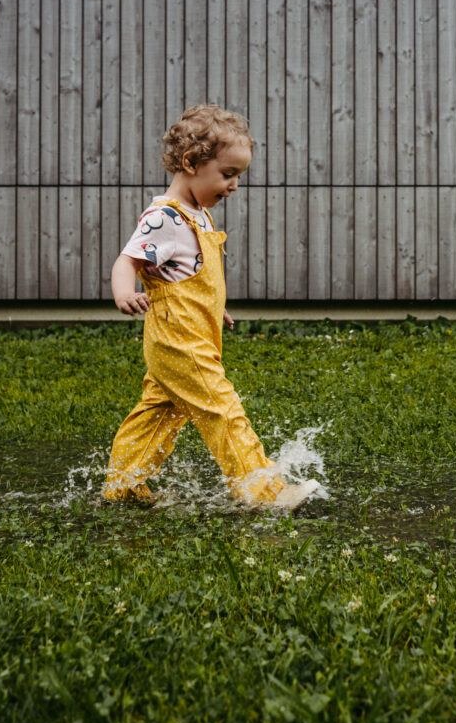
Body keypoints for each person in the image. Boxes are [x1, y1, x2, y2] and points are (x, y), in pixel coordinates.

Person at [104, 103, 319, 512]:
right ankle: (263, 493)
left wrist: (212, 305)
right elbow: (127, 260)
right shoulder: (164, 217)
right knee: (222, 409)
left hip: (189, 333)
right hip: (179, 340)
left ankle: (123, 487)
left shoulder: (197, 213)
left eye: (238, 175)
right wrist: (124, 293)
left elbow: (186, 277)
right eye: (228, 174)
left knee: (158, 413)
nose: (234, 185)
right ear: (190, 162)